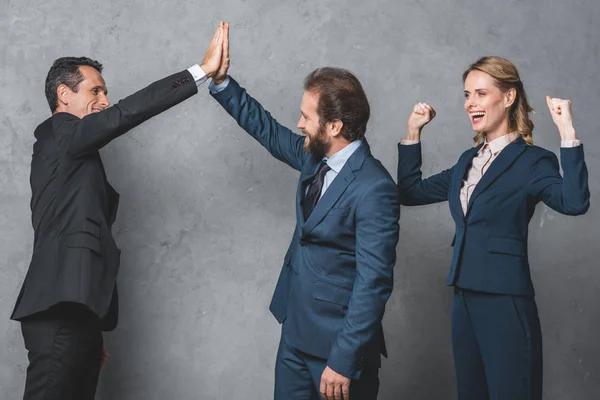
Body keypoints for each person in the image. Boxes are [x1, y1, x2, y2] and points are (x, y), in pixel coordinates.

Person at [10, 22, 227, 400]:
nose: (105, 100)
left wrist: (89, 328)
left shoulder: (76, 155)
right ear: (64, 94)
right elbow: (126, 113)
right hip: (59, 316)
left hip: (76, 316)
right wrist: (201, 71)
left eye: (106, 92)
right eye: (95, 90)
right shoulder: (59, 132)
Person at [210, 23, 399, 400]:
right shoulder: (314, 157)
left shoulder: (375, 188)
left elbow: (373, 282)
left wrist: (343, 360)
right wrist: (221, 81)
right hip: (294, 335)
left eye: (306, 117)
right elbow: (267, 130)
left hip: (338, 352)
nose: (299, 124)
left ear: (334, 125)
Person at [397, 56, 590, 400]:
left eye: (481, 93)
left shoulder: (533, 161)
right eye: (467, 95)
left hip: (505, 299)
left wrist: (568, 134)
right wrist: (413, 132)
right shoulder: (465, 162)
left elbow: (574, 203)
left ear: (508, 96)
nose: (471, 103)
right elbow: (409, 192)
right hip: (463, 298)